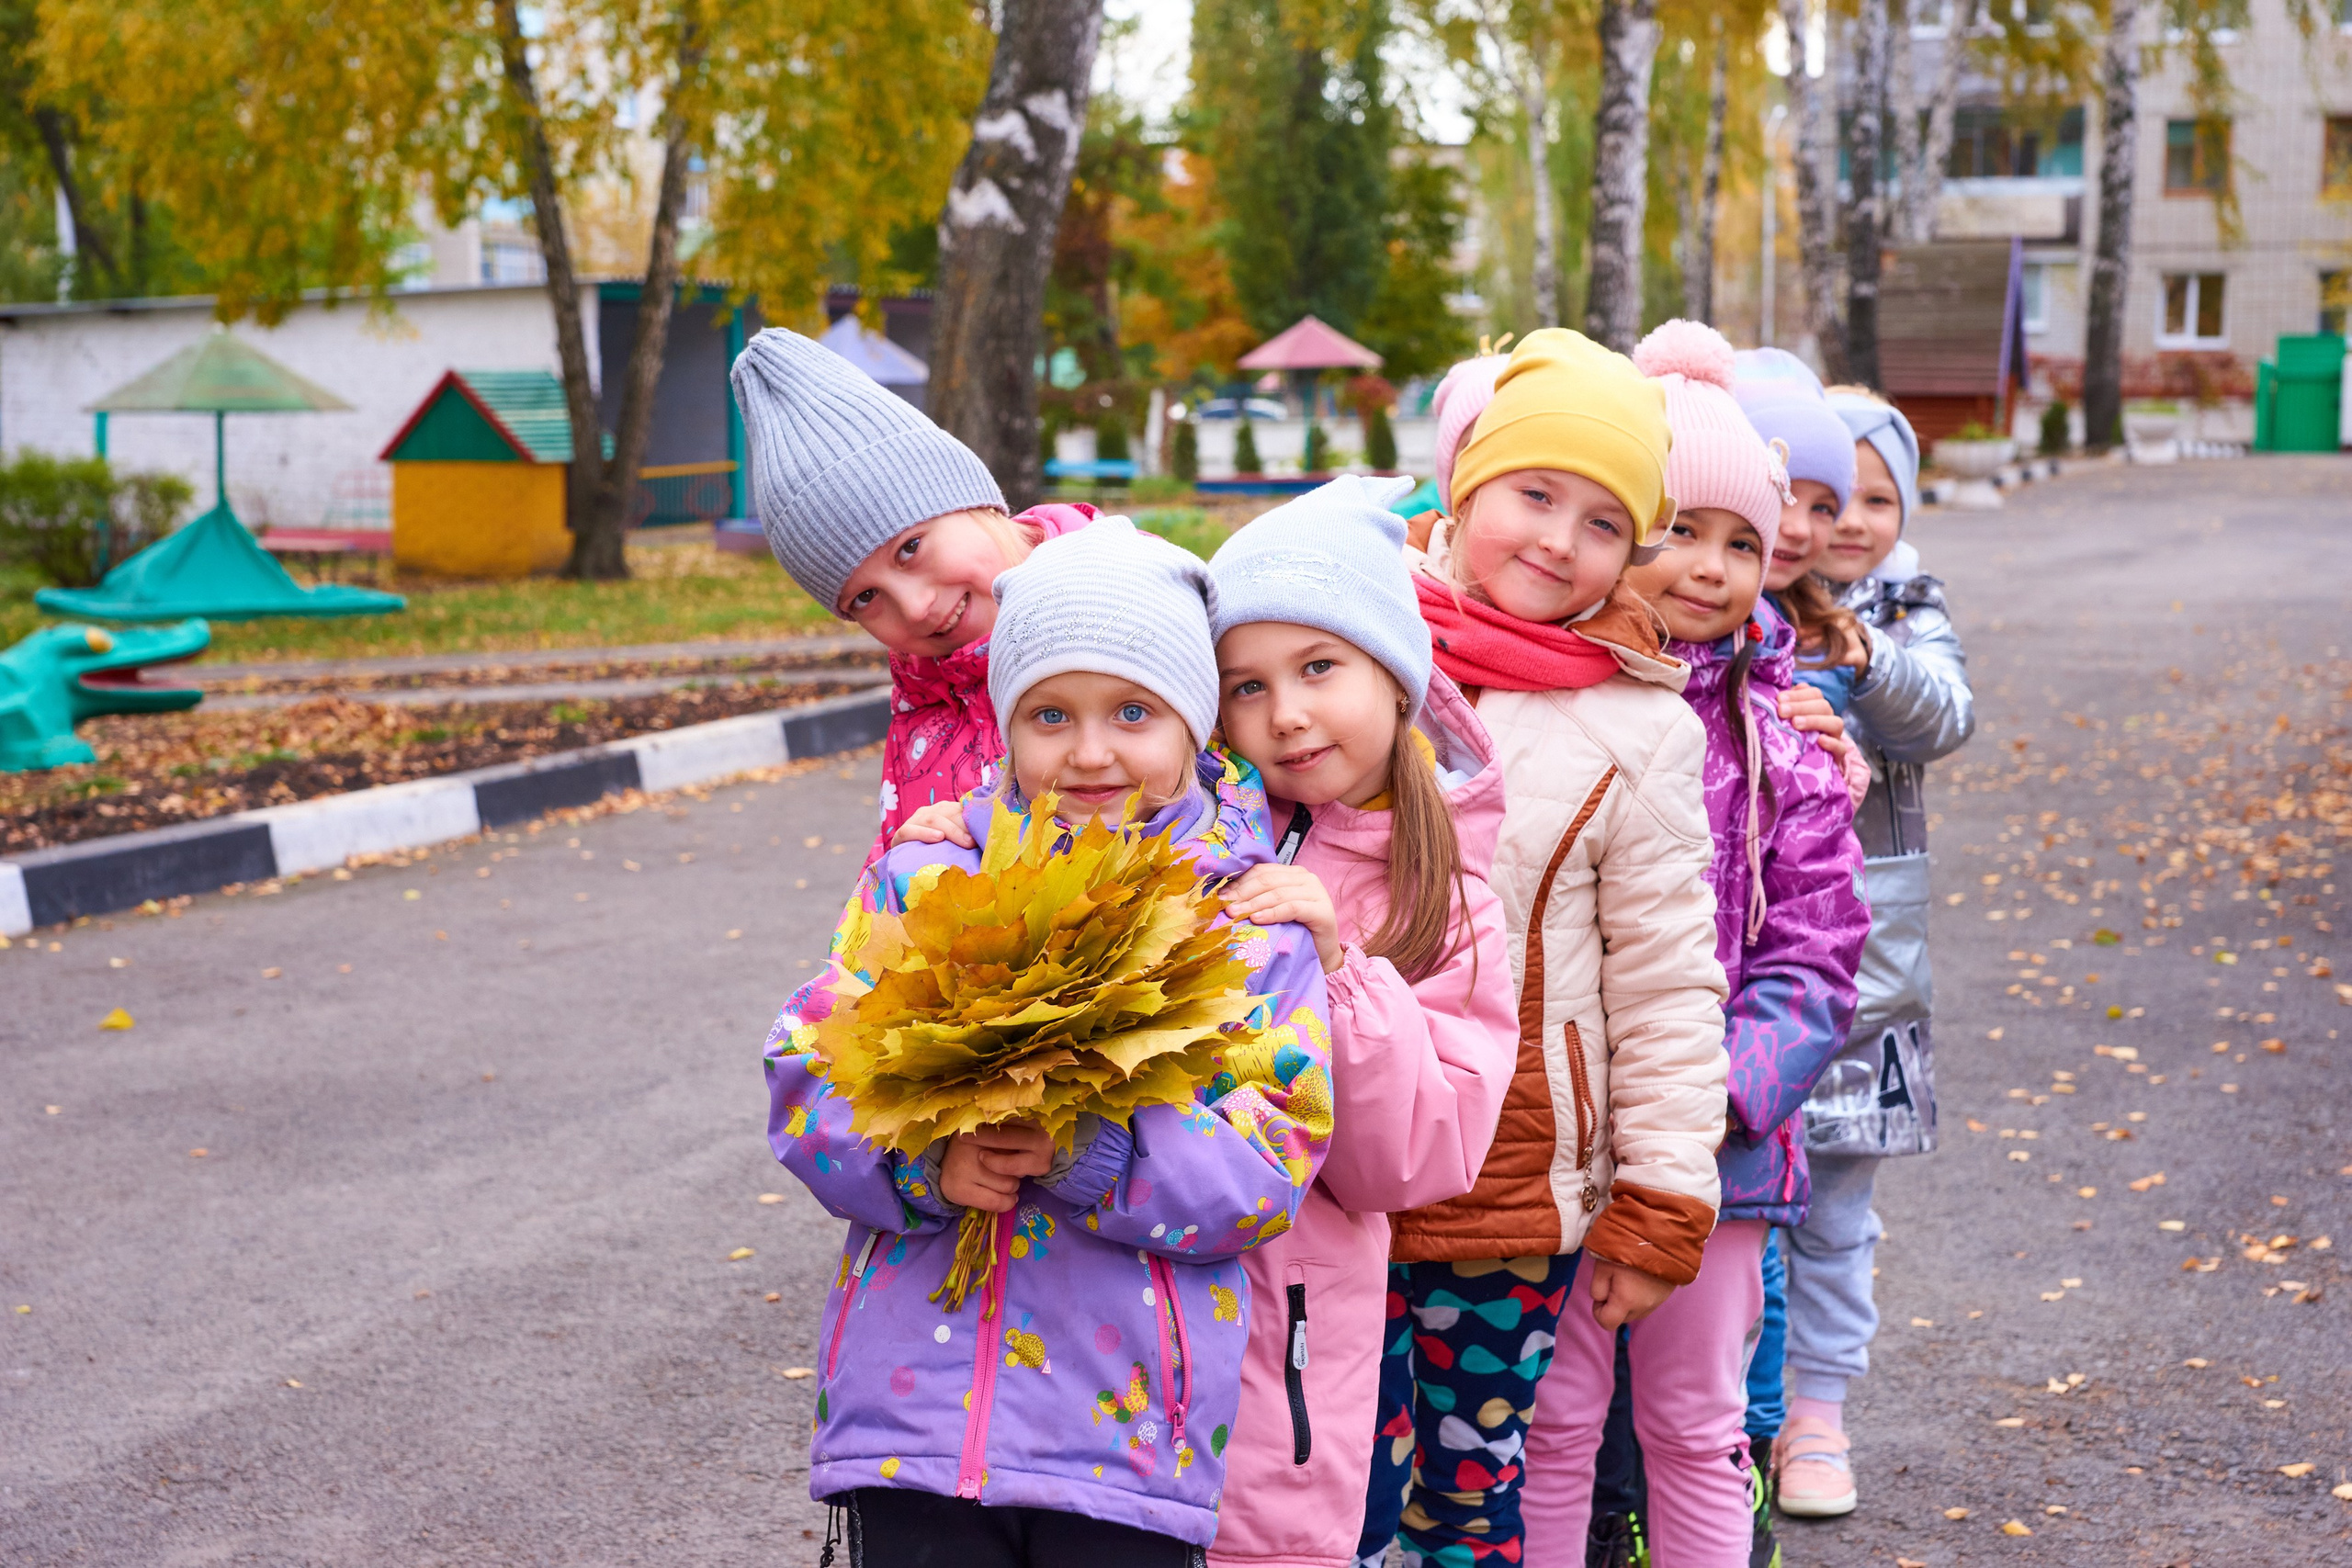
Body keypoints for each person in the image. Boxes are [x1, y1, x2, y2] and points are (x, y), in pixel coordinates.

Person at [763, 520, 1332, 1565]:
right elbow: (810, 1070)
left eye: (1132, 711)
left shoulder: (1244, 924)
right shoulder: (925, 883)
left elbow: (1270, 1158)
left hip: (1123, 1439)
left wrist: (1098, 1157)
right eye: (1049, 714)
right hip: (913, 1431)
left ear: (1192, 724)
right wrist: (925, 1159)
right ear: (1005, 727)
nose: (1089, 751)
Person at [1355, 328, 1732, 1568]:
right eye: (1534, 493)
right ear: (1464, 485)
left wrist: (1664, 1199)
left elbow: (1670, 980)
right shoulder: (1351, 641)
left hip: (1504, 1184)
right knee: (1329, 1481)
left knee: (1468, 1499)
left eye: (1604, 522)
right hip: (1324, 1156)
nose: (1561, 540)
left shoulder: (1639, 726)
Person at [1516, 321, 1871, 1568]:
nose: (1712, 567)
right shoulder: (1544, 708)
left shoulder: (1788, 737)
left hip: (1716, 1150)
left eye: (1742, 541)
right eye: (1677, 528)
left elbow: (1823, 948)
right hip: (1551, 1142)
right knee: (1552, 1425)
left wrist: (1720, 1093)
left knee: (1698, 1422)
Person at [1204, 474, 1520, 1568]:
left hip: (1296, 1345)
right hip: (1134, 1341)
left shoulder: (1450, 899)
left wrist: (1338, 970)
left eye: (1318, 667)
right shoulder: (1196, 838)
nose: (1283, 714)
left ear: (1395, 676)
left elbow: (1414, 1159)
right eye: (1245, 685)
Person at [1763, 388, 1973, 1519]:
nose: (1843, 522)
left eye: (1873, 498)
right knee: (1741, 1203)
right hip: (1754, 955)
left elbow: (1943, 716)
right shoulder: (1731, 585)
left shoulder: (1900, 598)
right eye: (1820, 496)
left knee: (1835, 1204)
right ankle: (1734, 1412)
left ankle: (1817, 1418)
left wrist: (1860, 646)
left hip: (1869, 967)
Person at [730, 327, 1096, 863]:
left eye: (910, 549)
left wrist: (1266, 870)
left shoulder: (1147, 608)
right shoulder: (926, 707)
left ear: (970, 500)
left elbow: (1241, 795)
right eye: (864, 599)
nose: (916, 607)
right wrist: (905, 871)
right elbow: (881, 936)